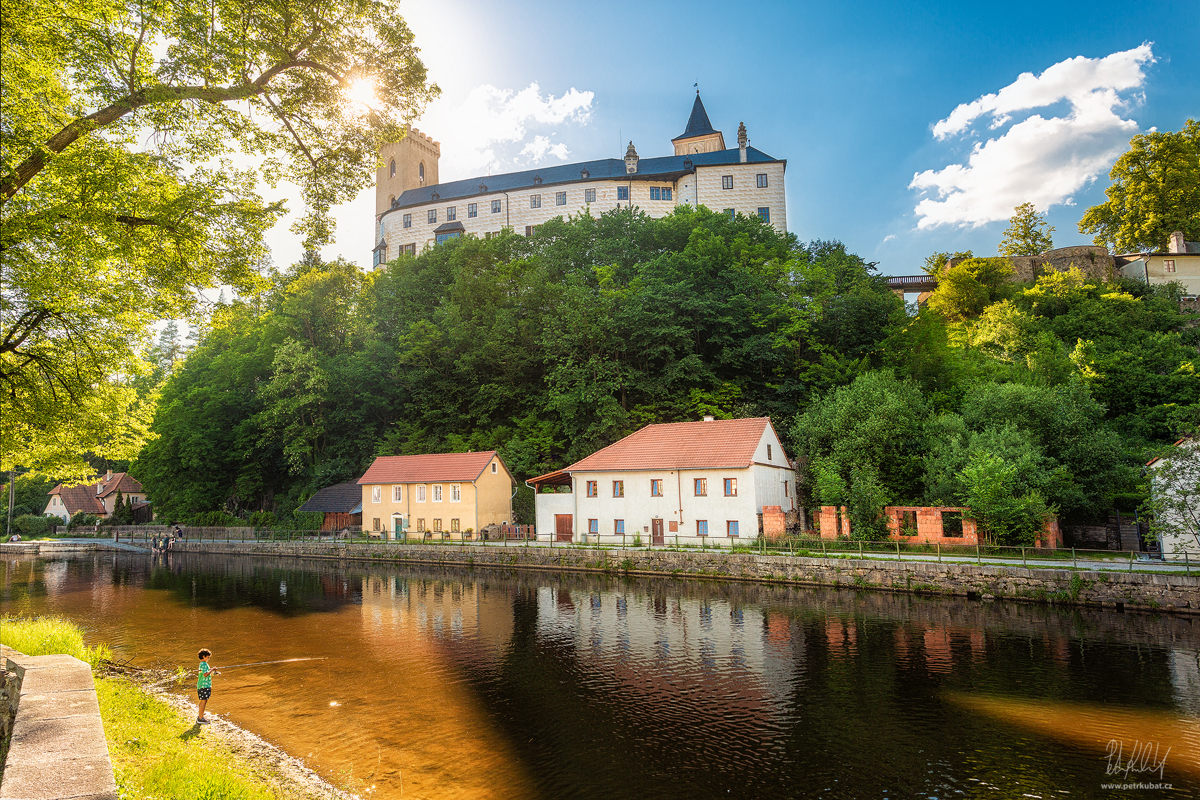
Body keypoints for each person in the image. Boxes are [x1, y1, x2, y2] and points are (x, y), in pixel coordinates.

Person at [196, 648, 221, 724]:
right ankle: (200, 719)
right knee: (203, 701)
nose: (208, 658)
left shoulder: (204, 664)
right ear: (203, 656)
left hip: (204, 685)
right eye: (208, 657)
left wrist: (214, 672)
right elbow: (205, 674)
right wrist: (212, 669)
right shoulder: (203, 664)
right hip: (203, 685)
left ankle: (200, 716)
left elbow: (207, 673)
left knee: (203, 701)